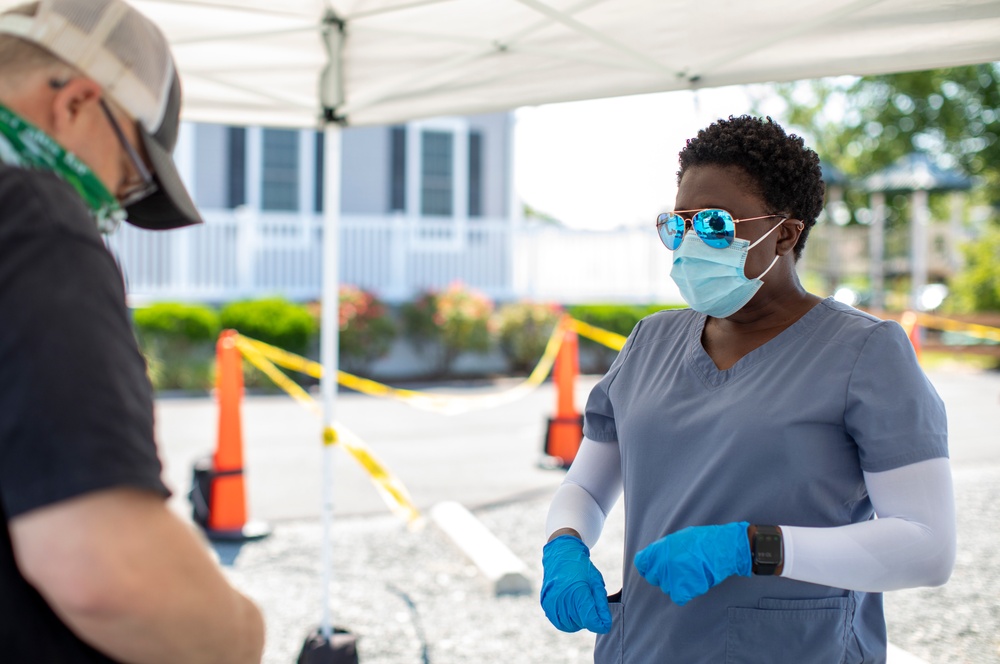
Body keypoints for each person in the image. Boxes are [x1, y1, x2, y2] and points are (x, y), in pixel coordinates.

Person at [540, 115, 956, 663]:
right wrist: (565, 546)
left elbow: (926, 547)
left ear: (786, 232)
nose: (690, 242)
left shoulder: (864, 352)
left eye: (715, 224)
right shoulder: (652, 340)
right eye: (678, 224)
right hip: (646, 645)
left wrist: (753, 548)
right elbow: (589, 488)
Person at [0, 1, 265, 662]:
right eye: (131, 172)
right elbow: (109, 570)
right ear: (78, 103)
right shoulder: (33, 217)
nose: (114, 202)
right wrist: (240, 635)